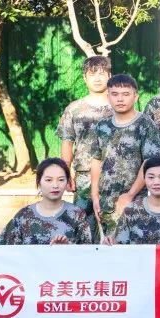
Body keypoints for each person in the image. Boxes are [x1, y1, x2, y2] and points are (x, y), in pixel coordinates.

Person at [0, 159, 89, 259]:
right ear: (39, 182)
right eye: (48, 180)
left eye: (61, 179)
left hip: (63, 286)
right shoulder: (24, 216)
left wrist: (67, 249)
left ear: (67, 182)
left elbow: (90, 254)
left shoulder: (77, 214)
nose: (55, 185)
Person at [88, 75, 160, 238]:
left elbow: (150, 163)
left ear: (135, 96)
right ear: (108, 97)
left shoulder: (145, 124)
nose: (120, 99)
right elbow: (96, 160)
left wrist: (130, 194)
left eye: (126, 94)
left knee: (133, 246)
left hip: (135, 201)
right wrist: (95, 196)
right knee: (110, 246)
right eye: (115, 94)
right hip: (106, 202)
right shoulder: (102, 126)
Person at [56, 55, 113, 239]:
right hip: (84, 178)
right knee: (83, 229)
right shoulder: (74, 109)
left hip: (114, 176)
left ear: (109, 76)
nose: (97, 78)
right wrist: (66, 172)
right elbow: (67, 142)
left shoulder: (118, 106)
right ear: (84, 78)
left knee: (115, 232)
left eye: (102, 73)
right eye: (92, 74)